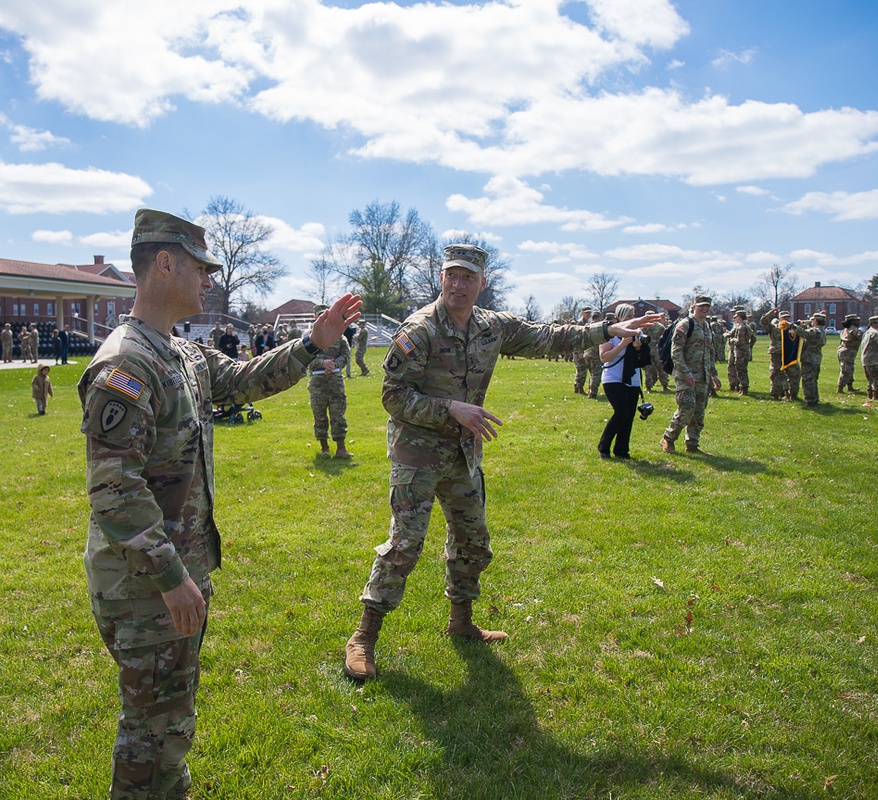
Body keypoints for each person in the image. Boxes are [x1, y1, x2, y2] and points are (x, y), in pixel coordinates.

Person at [78, 208, 361, 800]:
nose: (209, 279)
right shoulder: (128, 362)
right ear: (164, 263)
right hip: (147, 583)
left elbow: (246, 381)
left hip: (172, 573)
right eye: (200, 267)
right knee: (151, 734)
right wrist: (173, 578)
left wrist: (312, 343)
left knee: (168, 724)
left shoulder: (177, 352)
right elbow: (115, 488)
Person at [343, 244, 660, 681]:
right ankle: (364, 636)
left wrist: (606, 327)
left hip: (462, 453)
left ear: (481, 283)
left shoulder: (493, 326)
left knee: (473, 539)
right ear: (441, 279)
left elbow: (549, 336)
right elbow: (392, 397)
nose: (459, 284)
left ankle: (461, 622)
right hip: (417, 453)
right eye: (452, 275)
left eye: (468, 277)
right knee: (405, 545)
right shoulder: (420, 330)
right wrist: (451, 408)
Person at [659, 295, 720, 455]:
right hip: (685, 376)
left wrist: (713, 374)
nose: (705, 309)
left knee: (699, 412)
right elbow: (676, 351)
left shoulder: (706, 326)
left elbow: (710, 352)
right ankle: (668, 438)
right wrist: (685, 372)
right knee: (686, 408)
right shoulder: (685, 324)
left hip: (703, 377)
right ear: (693, 307)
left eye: (707, 306)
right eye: (701, 306)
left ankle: (692, 444)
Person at [597, 303, 646, 459]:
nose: (631, 320)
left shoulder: (637, 333)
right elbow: (604, 357)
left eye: (633, 316)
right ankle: (603, 446)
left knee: (629, 415)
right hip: (613, 378)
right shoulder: (609, 334)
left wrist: (638, 348)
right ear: (619, 317)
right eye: (628, 317)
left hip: (632, 378)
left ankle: (622, 450)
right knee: (621, 412)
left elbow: (644, 360)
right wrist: (623, 344)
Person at [308, 303, 353, 457]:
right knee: (319, 415)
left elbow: (346, 355)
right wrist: (322, 363)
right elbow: (305, 359)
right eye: (320, 316)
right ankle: (324, 448)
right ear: (315, 317)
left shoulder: (340, 337)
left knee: (338, 414)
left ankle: (341, 448)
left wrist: (334, 364)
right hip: (317, 381)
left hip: (335, 380)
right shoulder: (308, 338)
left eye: (325, 315)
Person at [759, 308, 800, 400]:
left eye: (788, 317)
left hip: (790, 354)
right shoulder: (774, 327)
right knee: (776, 374)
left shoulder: (793, 328)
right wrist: (770, 313)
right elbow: (763, 322)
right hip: (777, 354)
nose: (786, 319)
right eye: (784, 317)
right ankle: (775, 395)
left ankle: (792, 394)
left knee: (794, 374)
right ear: (780, 318)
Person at [796, 312, 827, 406]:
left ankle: (810, 400)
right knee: (813, 379)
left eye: (813, 320)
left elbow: (805, 333)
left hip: (809, 358)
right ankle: (815, 398)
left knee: (807, 380)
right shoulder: (821, 331)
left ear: (816, 321)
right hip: (816, 358)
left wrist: (792, 326)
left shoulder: (815, 331)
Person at [723, 307, 753, 395]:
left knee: (741, 370)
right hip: (742, 351)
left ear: (739, 317)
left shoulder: (742, 327)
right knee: (740, 369)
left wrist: (732, 340)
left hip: (741, 352)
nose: (734, 318)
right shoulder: (744, 326)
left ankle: (744, 388)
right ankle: (742, 388)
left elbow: (740, 341)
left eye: (736, 316)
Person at [642, 316, 670, 392]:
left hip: (648, 351)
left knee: (649, 369)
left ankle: (649, 387)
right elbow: (665, 338)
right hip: (657, 351)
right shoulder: (660, 327)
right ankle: (664, 386)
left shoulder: (643, 326)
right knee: (660, 369)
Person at [836, 315, 863, 393]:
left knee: (849, 369)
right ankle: (840, 387)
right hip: (848, 352)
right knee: (846, 370)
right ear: (852, 322)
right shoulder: (853, 330)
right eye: (857, 321)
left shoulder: (845, 329)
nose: (858, 322)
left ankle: (850, 386)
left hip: (843, 350)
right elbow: (859, 336)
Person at [572, 306, 594, 394]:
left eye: (589, 313)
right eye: (586, 313)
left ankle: (577, 387)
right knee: (582, 369)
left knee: (581, 369)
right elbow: (578, 339)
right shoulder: (580, 323)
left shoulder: (586, 323)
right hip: (578, 350)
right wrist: (580, 352)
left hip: (583, 349)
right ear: (582, 313)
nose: (588, 314)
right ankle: (579, 387)